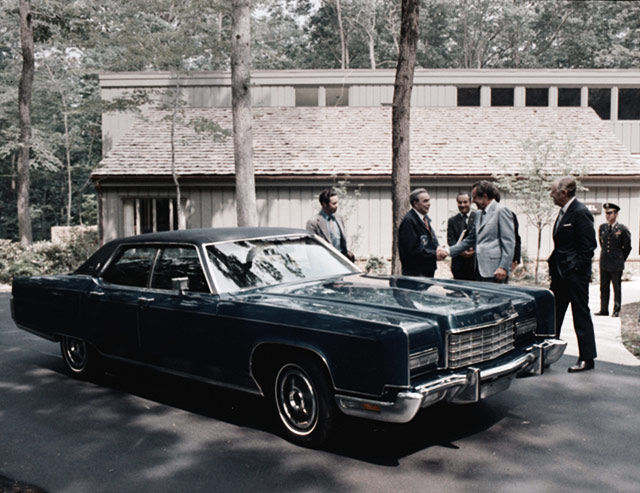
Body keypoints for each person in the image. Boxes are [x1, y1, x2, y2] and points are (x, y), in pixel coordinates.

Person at [548, 176, 597, 373]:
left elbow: (588, 247)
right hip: (560, 275)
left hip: (574, 276)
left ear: (564, 192)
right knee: (554, 316)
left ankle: (587, 358)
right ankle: (548, 355)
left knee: (580, 315)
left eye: (553, 191)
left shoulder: (580, 212)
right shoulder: (563, 212)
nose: (551, 195)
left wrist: (575, 270)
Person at [438, 181, 515, 283]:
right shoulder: (478, 214)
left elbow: (509, 242)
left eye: (474, 197)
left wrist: (503, 267)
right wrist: (448, 251)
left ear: (485, 196)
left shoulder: (501, 211)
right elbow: (470, 239)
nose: (473, 201)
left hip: (496, 271)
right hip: (479, 269)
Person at [595, 203, 631, 317]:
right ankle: (603, 309)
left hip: (616, 263)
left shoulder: (622, 229)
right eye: (606, 213)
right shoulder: (602, 228)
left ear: (616, 214)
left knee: (616, 287)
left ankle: (616, 309)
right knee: (604, 287)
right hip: (604, 262)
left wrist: (621, 258)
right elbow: (602, 243)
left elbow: (628, 247)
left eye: (610, 213)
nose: (607, 215)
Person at [398, 188, 439, 277]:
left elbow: (429, 241)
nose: (429, 204)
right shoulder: (409, 221)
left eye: (429, 200)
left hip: (427, 270)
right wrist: (434, 254)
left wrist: (438, 249)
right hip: (416, 272)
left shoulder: (425, 219)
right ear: (415, 203)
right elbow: (413, 250)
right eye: (425, 201)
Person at [306, 188, 355, 262]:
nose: (337, 205)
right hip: (325, 263)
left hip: (341, 261)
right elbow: (311, 249)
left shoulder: (339, 218)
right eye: (334, 203)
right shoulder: (313, 223)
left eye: (337, 202)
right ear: (324, 204)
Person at [447, 192, 476, 280]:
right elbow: (450, 240)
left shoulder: (478, 218)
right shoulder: (452, 221)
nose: (462, 205)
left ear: (470, 202)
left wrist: (473, 250)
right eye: (460, 202)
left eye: (465, 202)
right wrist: (461, 251)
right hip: (458, 264)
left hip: (475, 263)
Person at [494, 190, 522, 273]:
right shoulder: (480, 215)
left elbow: (515, 237)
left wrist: (515, 259)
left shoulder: (508, 214)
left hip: (503, 259)